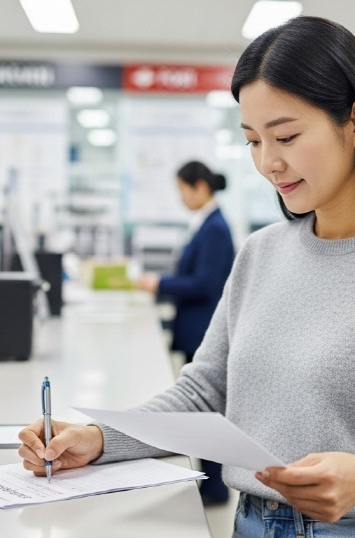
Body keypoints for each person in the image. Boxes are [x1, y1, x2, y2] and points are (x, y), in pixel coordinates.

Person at [19, 16, 355, 538]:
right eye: (253, 140)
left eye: (287, 136)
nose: (269, 163)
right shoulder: (261, 253)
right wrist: (100, 437)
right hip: (250, 524)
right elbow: (205, 393)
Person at [134, 160, 236, 504]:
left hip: (204, 328)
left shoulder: (215, 229)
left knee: (207, 409)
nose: (181, 199)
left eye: (182, 191)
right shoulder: (207, 224)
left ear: (200, 188)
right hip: (197, 326)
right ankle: (210, 481)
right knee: (204, 409)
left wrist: (159, 283)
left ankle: (216, 485)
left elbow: (205, 283)